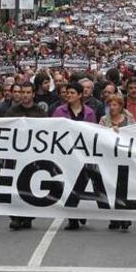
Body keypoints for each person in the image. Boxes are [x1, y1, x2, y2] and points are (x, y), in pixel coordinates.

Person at [53, 82, 96, 230]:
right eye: (67, 93)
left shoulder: (89, 113)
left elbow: (94, 133)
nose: (69, 95)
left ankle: (81, 213)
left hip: (83, 155)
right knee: (68, 185)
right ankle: (72, 217)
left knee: (82, 184)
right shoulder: (59, 112)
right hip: (66, 155)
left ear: (79, 95)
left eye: (72, 93)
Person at [5, 82, 47, 230]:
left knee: (29, 186)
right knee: (14, 186)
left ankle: (28, 216)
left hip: (33, 156)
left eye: (28, 92)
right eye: (23, 93)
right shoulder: (11, 112)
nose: (25, 95)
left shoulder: (41, 113)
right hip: (16, 155)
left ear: (33, 94)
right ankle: (16, 217)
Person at [100, 94, 135, 231]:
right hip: (109, 160)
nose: (112, 108)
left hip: (125, 158)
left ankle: (125, 217)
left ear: (121, 106)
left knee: (125, 190)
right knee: (111, 188)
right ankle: (114, 218)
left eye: (115, 105)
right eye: (110, 105)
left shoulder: (129, 119)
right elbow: (99, 136)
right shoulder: (104, 120)